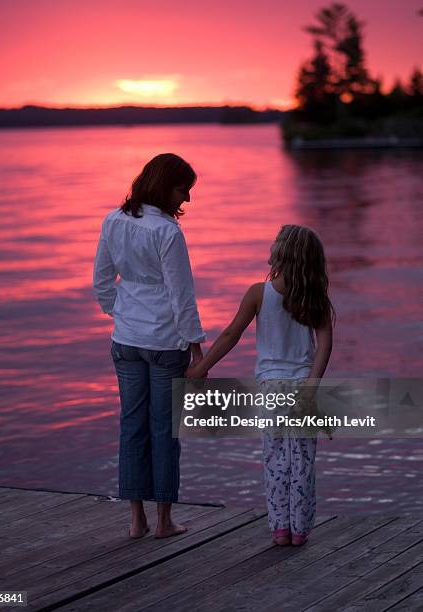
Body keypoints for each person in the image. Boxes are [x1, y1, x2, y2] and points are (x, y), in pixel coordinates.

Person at [186, 224, 334, 547]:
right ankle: (300, 531)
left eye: (275, 242)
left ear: (283, 254)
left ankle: (280, 528)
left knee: (276, 460)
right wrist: (311, 387)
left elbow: (230, 335)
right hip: (302, 390)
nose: (271, 245)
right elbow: (324, 346)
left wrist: (200, 368)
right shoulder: (314, 298)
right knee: (303, 463)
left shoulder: (259, 293)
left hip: (270, 390)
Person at [93, 153, 205, 539]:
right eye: (182, 190)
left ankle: (136, 521)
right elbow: (181, 295)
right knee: (164, 432)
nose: (186, 199)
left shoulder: (112, 220)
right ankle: (164, 522)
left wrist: (122, 313)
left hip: (125, 340)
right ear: (164, 186)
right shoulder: (168, 232)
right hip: (164, 342)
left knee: (131, 428)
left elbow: (102, 283)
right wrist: (197, 348)